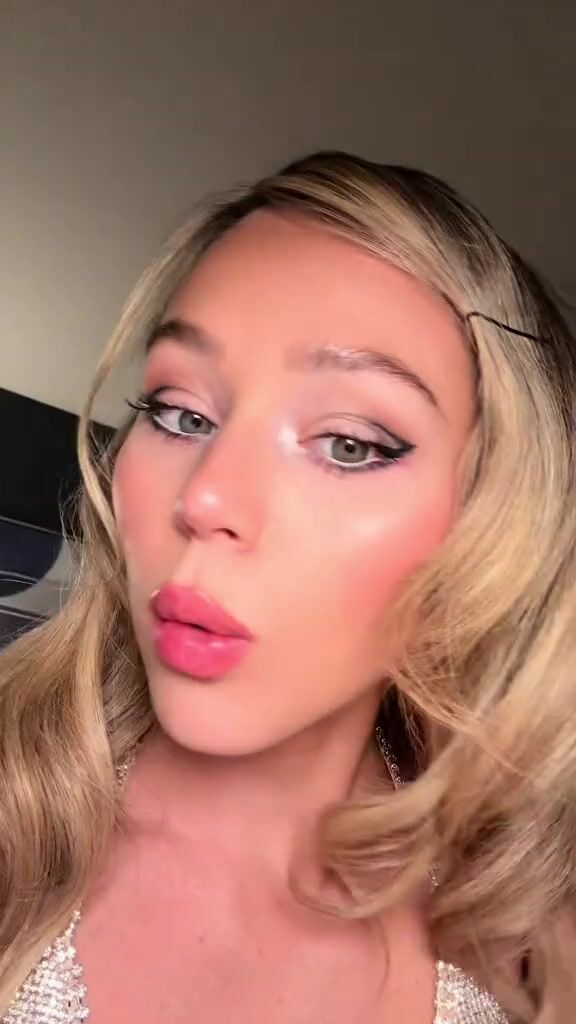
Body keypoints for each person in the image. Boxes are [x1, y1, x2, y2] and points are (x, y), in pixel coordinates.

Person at [0, 151, 574, 1024]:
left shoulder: (526, 929)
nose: (205, 499)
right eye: (181, 413)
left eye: (349, 444)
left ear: (497, 523)